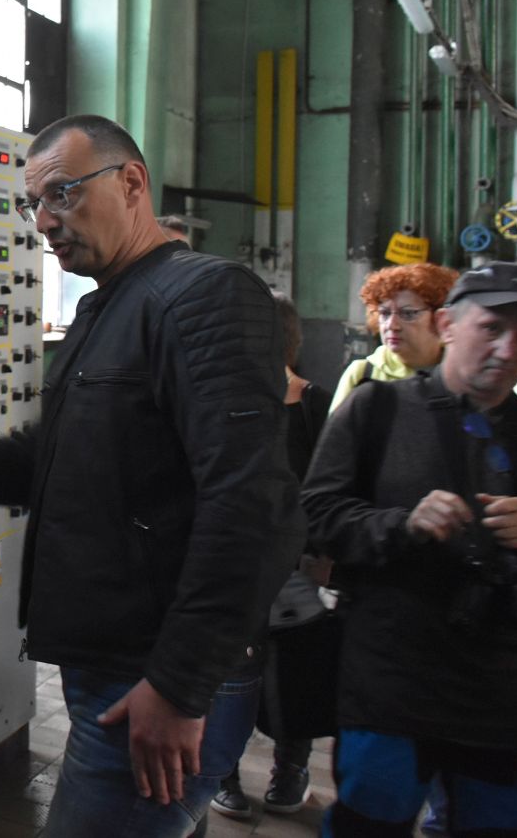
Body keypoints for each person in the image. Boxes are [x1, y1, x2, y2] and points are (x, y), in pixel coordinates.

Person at [0, 115, 300, 838]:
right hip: (118, 669)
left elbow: (251, 507)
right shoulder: (111, 305)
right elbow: (57, 463)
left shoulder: (204, 296)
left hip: (149, 677)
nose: (44, 222)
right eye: (33, 204)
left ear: (132, 183)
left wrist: (179, 685)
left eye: (62, 193)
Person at [302, 263, 517, 836]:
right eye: (492, 328)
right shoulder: (376, 409)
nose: (509, 350)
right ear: (448, 324)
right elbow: (317, 515)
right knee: (368, 825)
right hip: (392, 683)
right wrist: (401, 524)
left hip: (504, 694)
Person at [209, 292, 334, 822]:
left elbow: (328, 489)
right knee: (227, 672)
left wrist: (321, 557)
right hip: (235, 562)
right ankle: (222, 773)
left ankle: (291, 770)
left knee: (294, 673)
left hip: (295, 567)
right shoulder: (222, 402)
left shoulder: (315, 404)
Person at [330, 263, 458, 411]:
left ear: (441, 319)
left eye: (408, 314)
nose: (391, 325)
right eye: (384, 313)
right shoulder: (362, 374)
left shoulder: (461, 372)